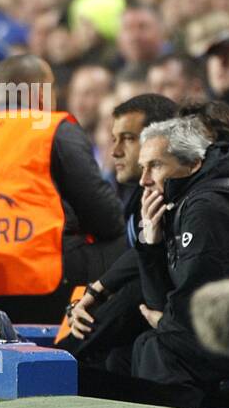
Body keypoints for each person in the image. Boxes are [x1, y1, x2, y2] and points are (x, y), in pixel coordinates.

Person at [111, 117, 229, 408]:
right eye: (144, 167)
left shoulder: (210, 206)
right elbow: (161, 303)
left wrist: (165, 322)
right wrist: (151, 242)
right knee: (123, 354)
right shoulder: (182, 202)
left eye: (156, 166)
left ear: (193, 164)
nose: (144, 179)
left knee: (157, 348)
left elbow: (195, 304)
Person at [0, 54, 125, 323]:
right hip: (40, 287)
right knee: (134, 243)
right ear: (42, 93)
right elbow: (106, 218)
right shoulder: (51, 128)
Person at [63, 93, 175, 366]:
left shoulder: (171, 198)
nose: (115, 151)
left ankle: (61, 355)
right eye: (114, 139)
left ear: (158, 139)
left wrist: (67, 344)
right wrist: (86, 299)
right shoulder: (138, 196)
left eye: (128, 138)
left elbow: (138, 280)